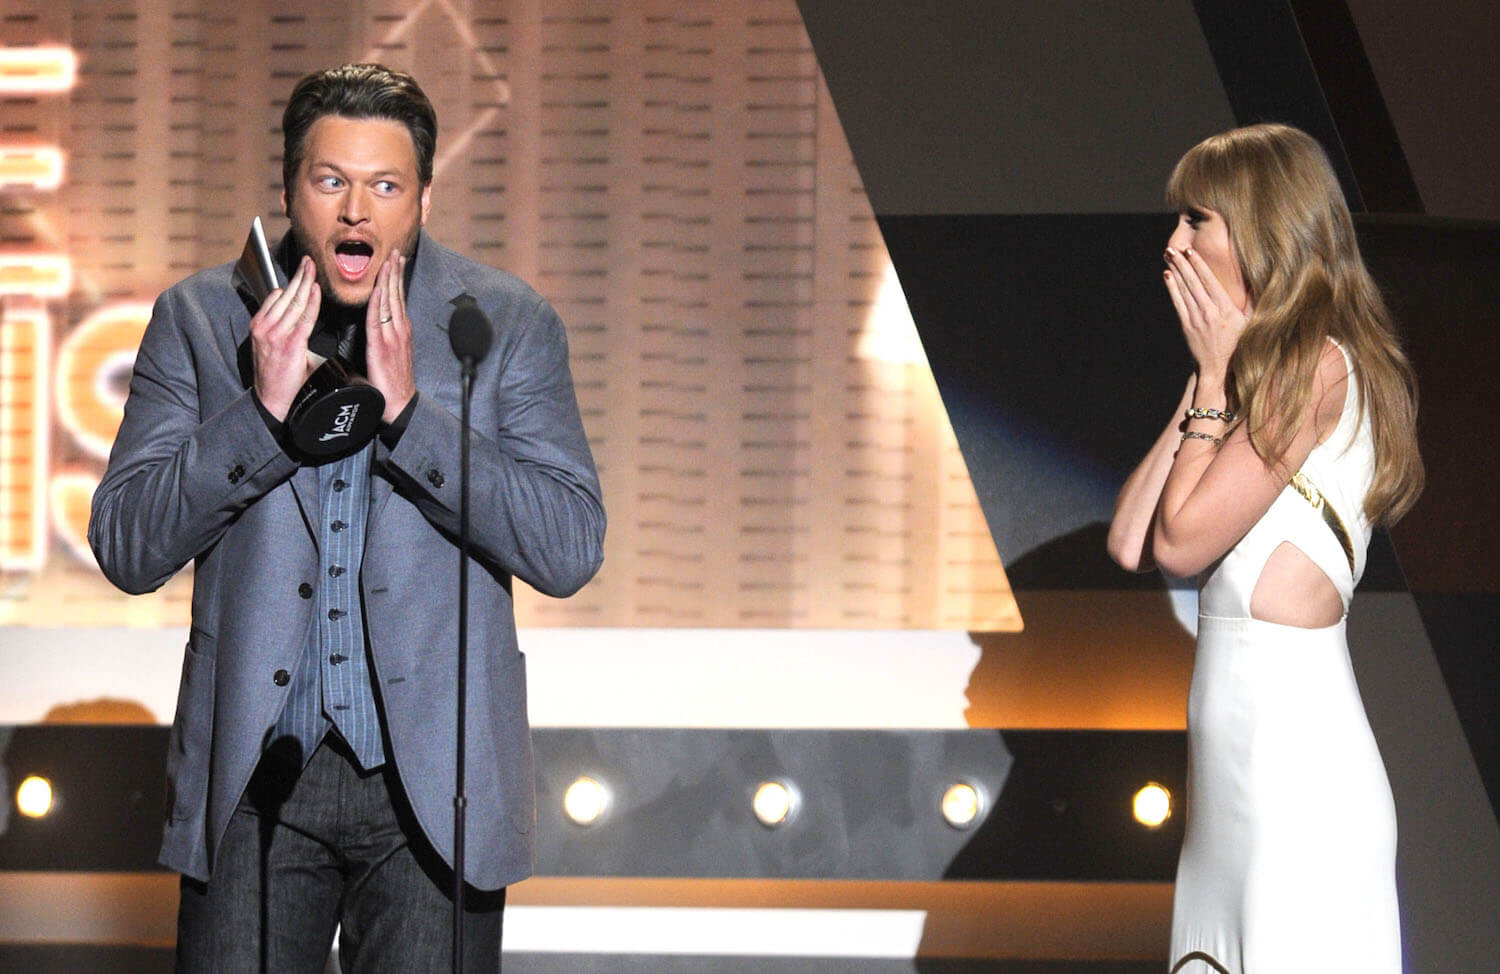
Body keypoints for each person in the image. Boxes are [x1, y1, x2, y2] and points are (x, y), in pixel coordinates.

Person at [89, 63, 605, 972]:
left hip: (435, 789)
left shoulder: (505, 323)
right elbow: (128, 544)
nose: (355, 211)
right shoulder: (203, 320)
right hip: (254, 785)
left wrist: (413, 417)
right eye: (331, 181)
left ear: (424, 196)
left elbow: (567, 547)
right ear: (290, 189)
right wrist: (258, 417)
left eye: (385, 185)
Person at [1107, 123, 1423, 972]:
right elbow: (1131, 538)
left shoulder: (1321, 367)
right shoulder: (1258, 376)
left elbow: (1179, 543)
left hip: (1298, 787)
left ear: (1258, 228)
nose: (1175, 242)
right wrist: (1205, 378)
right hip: (1228, 802)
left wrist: (1215, 381)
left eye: (1197, 220)